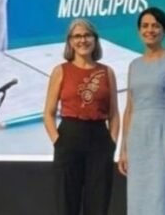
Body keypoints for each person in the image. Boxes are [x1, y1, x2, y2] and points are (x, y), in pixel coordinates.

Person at [43, 18, 120, 215]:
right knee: (67, 203)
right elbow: (49, 113)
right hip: (69, 136)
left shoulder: (107, 72)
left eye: (87, 35)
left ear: (95, 39)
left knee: (98, 204)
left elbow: (114, 114)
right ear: (70, 41)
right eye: (77, 36)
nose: (82, 40)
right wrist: (57, 141)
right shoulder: (61, 71)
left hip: (99, 139)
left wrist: (111, 142)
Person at [118, 6, 165, 215]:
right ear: (139, 30)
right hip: (138, 139)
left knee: (164, 197)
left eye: (155, 26)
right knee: (139, 200)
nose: (149, 30)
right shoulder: (134, 65)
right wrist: (123, 149)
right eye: (145, 26)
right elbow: (129, 108)